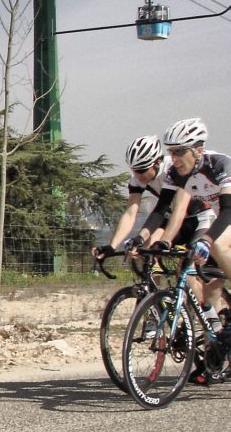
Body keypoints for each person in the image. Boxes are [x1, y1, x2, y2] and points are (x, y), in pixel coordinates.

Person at [139, 117, 231, 379]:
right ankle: (215, 354)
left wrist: (206, 240)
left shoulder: (219, 165)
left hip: (228, 216)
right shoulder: (176, 174)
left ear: (198, 150)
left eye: (179, 151)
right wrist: (143, 238)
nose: (174, 158)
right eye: (171, 152)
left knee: (217, 244)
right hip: (222, 221)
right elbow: (161, 210)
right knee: (206, 285)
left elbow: (228, 211)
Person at [91, 134, 214, 261]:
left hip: (201, 217)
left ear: (157, 162)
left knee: (190, 263)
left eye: (142, 170)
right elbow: (130, 214)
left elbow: (178, 208)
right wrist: (112, 246)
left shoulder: (175, 169)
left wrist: (163, 239)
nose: (137, 175)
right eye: (134, 170)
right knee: (146, 253)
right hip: (172, 218)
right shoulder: (137, 180)